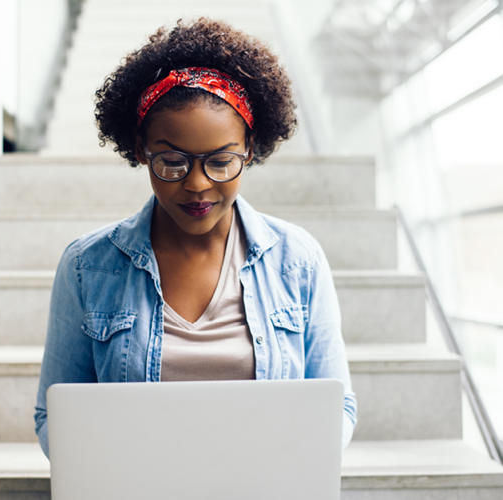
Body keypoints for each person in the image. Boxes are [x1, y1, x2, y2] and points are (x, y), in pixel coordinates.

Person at [35, 18, 356, 458]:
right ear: (140, 150)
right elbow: (54, 416)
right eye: (172, 161)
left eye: (222, 161)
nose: (198, 185)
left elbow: (338, 406)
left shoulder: (297, 259)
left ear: (250, 149)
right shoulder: (87, 266)